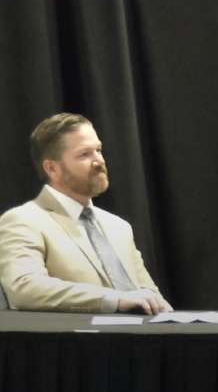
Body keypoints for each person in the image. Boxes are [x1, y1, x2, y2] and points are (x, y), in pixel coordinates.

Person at [0, 113, 172, 314]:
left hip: (143, 340)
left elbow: (150, 295)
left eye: (98, 150)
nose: (99, 161)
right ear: (52, 168)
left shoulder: (119, 226)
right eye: (84, 154)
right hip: (81, 343)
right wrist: (114, 299)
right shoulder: (23, 220)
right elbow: (24, 288)